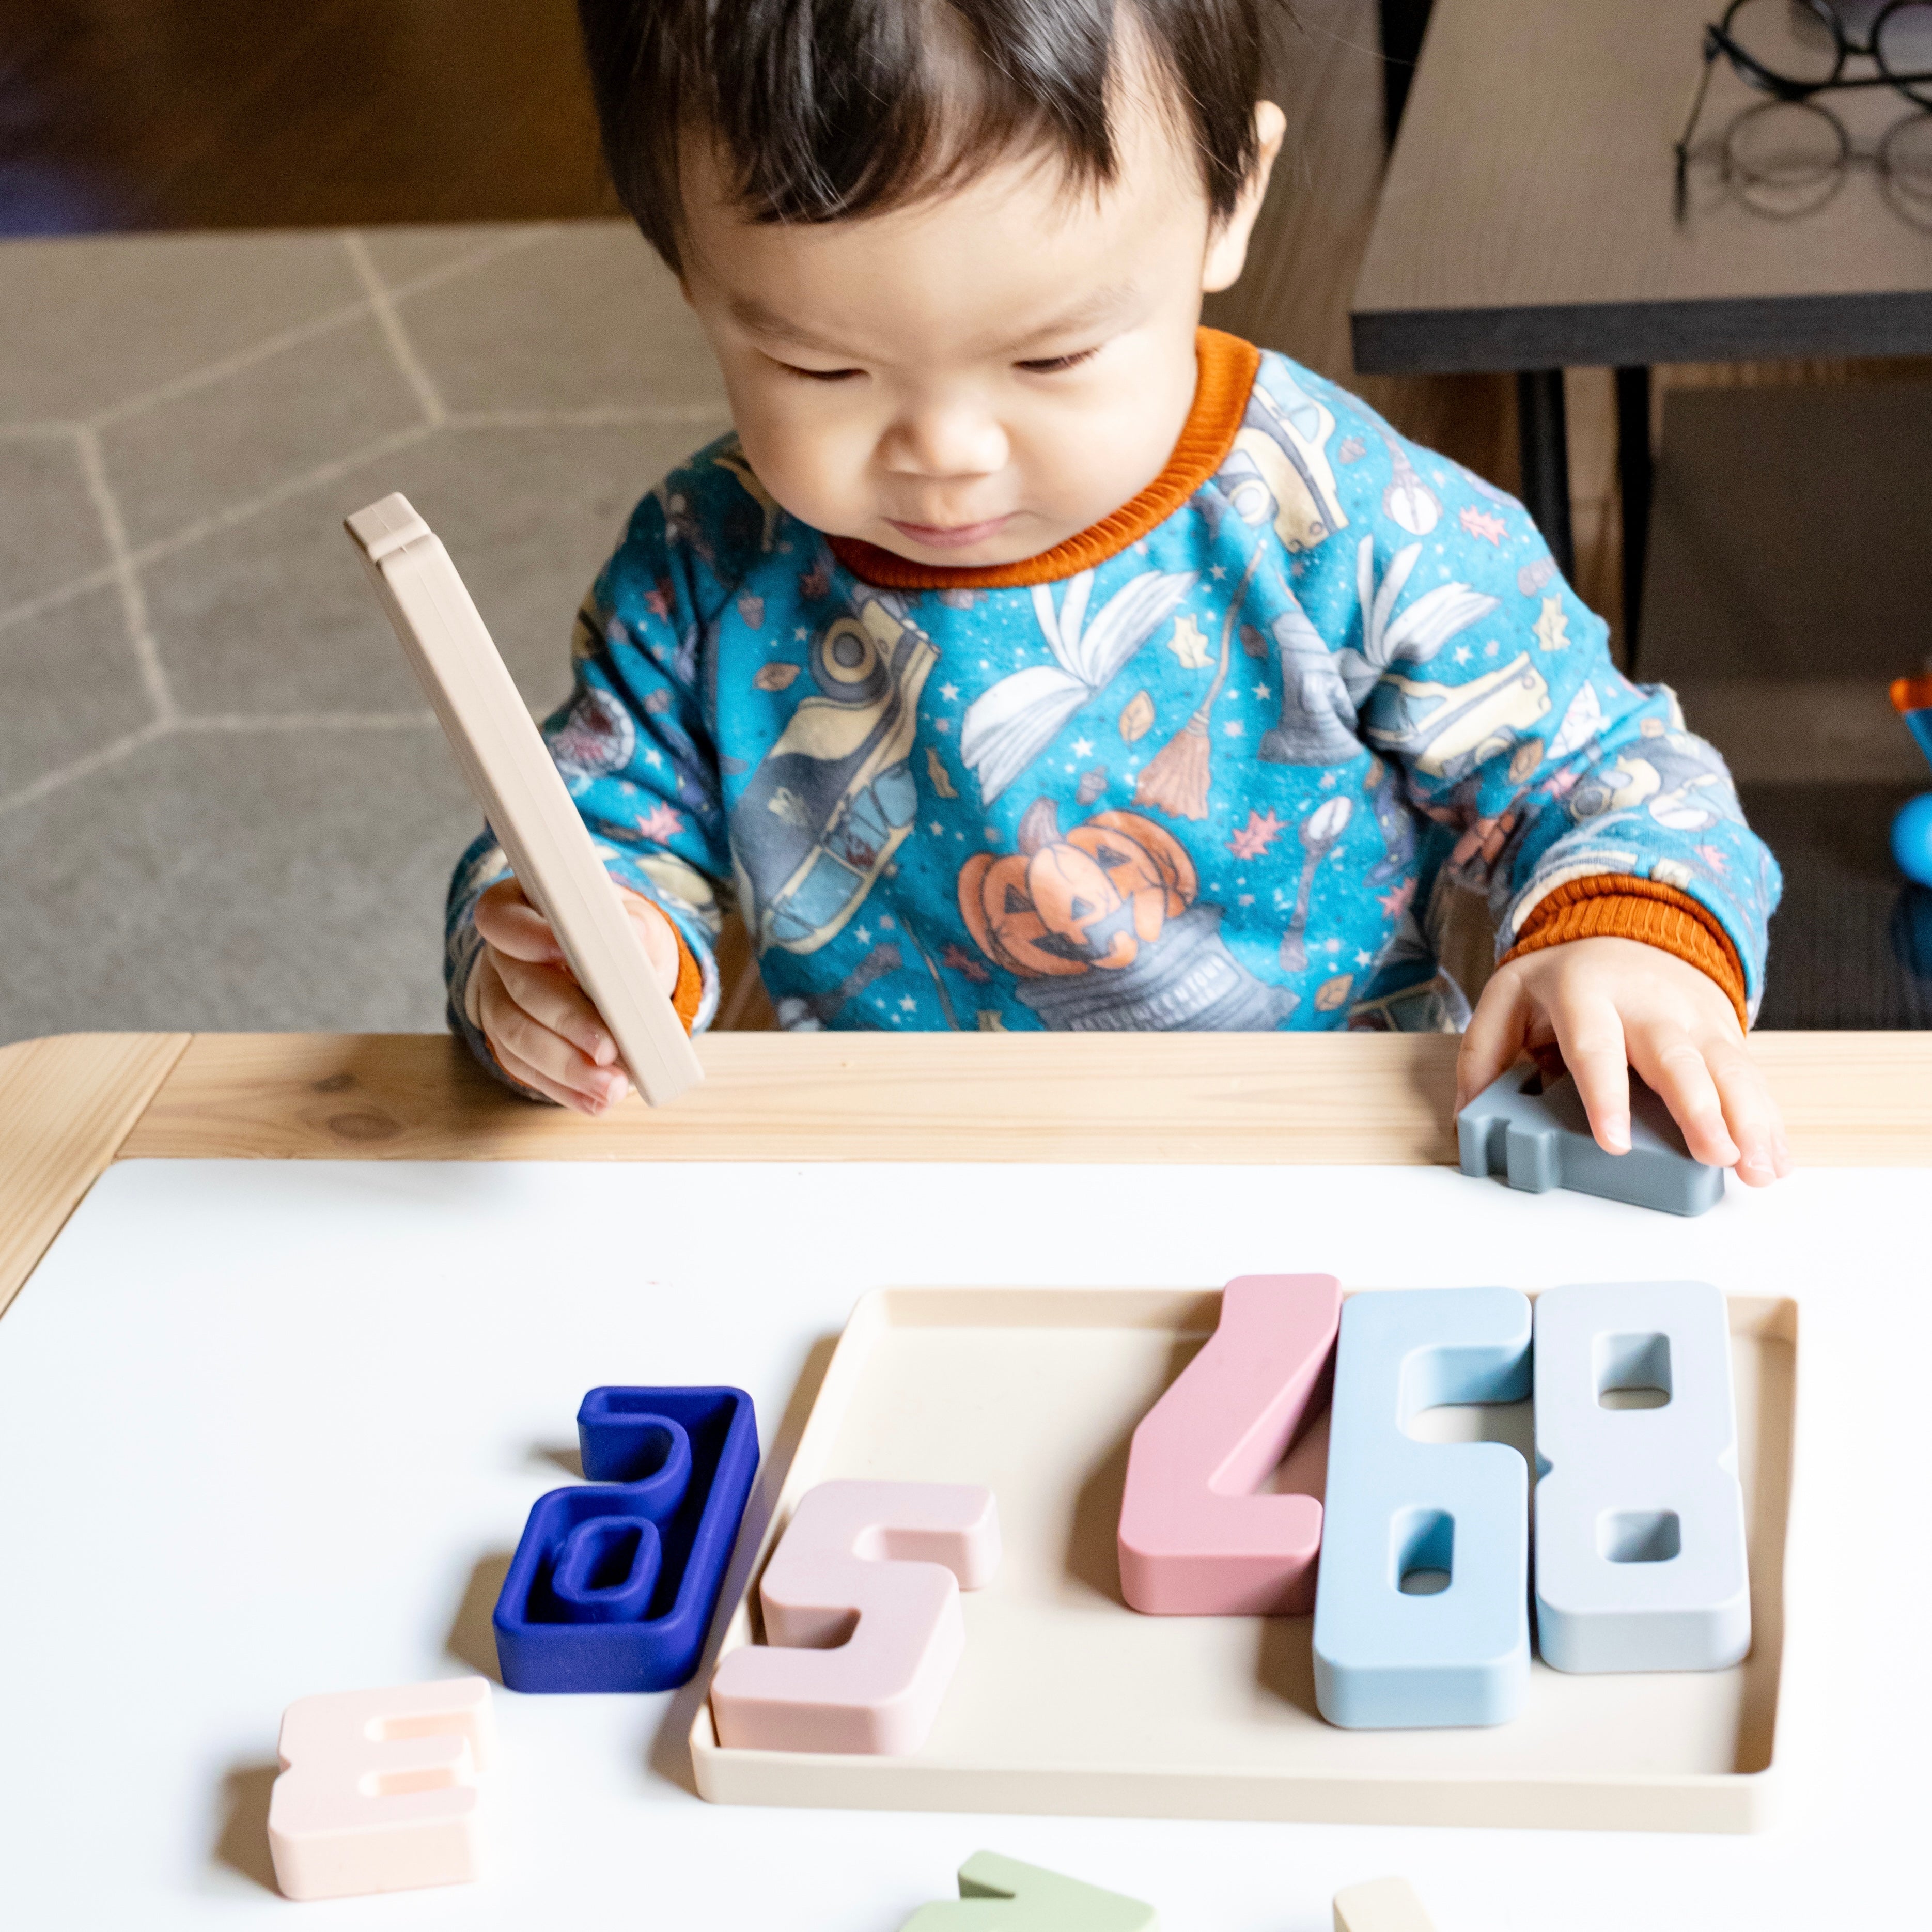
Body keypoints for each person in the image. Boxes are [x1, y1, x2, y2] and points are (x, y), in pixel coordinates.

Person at [445, 0, 1789, 1185]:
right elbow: (592, 825)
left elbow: (1606, 773)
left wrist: (1624, 940)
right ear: (685, 265)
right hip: (892, 1169)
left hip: (1317, 1161)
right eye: (821, 371)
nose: (946, 451)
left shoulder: (1350, 520)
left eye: (1053, 355)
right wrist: (575, 950)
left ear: (1230, 200)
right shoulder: (703, 559)